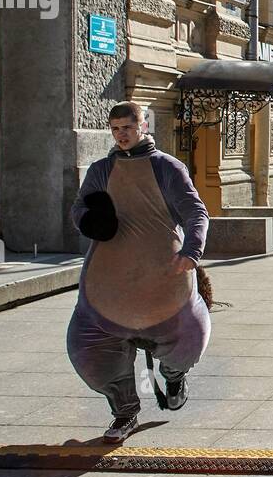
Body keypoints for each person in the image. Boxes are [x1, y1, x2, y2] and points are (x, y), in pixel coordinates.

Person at [67, 101, 212, 443]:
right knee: (90, 351)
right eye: (116, 129)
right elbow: (79, 207)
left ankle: (174, 375)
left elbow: (195, 212)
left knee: (186, 337)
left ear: (143, 127)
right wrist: (89, 221)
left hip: (163, 277)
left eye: (128, 128)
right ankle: (124, 412)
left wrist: (192, 251)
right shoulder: (101, 170)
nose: (121, 135)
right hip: (108, 282)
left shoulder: (167, 167)